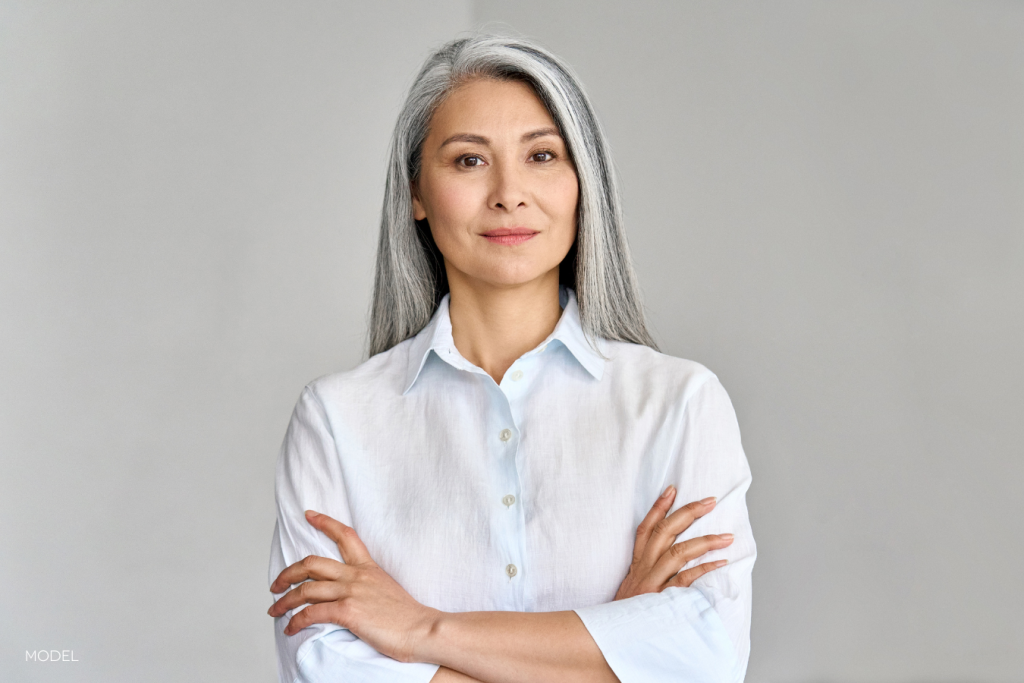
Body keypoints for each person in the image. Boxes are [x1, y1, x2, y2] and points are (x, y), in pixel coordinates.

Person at [267, 33, 756, 683]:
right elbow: (327, 669)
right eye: (469, 161)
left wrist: (420, 629)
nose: (509, 193)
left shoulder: (679, 403)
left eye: (543, 155)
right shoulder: (336, 418)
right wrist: (615, 638)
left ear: (583, 182)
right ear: (416, 191)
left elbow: (708, 658)